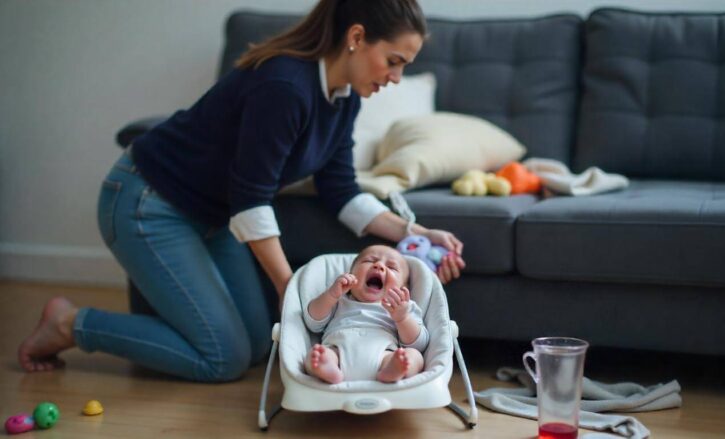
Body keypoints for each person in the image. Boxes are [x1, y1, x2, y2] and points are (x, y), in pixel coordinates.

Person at [17, 0, 465, 382]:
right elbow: (252, 199)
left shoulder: (344, 98)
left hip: (214, 217)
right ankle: (70, 324)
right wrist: (292, 289)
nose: (395, 77)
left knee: (255, 345)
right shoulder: (286, 86)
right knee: (223, 358)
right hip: (148, 202)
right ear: (356, 36)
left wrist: (416, 231)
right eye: (394, 61)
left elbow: (341, 191)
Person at [304, 245, 425, 383]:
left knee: (415, 356)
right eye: (369, 261)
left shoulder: (404, 308)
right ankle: (327, 367)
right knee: (315, 354)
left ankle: (394, 370)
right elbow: (313, 322)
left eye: (392, 267)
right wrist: (331, 295)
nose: (379, 265)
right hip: (337, 351)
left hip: (384, 356)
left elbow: (418, 344)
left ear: (403, 288)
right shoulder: (339, 300)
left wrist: (402, 318)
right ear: (350, 273)